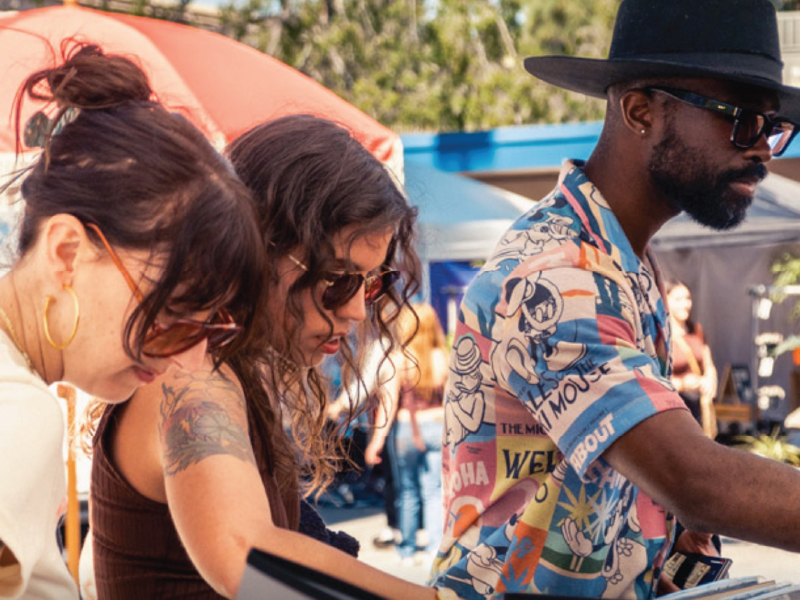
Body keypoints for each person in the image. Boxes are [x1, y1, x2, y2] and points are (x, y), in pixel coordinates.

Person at [431, 1, 800, 598]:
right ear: (639, 111)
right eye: (741, 119)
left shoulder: (621, 260)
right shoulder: (556, 275)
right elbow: (695, 482)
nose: (762, 149)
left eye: (772, 126)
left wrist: (661, 549)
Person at [85, 114, 445, 600]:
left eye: (372, 283)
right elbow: (245, 557)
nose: (357, 310)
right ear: (259, 250)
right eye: (337, 279)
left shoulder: (227, 375)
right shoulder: (191, 378)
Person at [0, 43, 264, 600]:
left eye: (211, 327)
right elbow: (247, 563)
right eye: (172, 315)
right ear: (67, 252)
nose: (188, 357)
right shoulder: (19, 409)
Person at [365, 302, 449, 566]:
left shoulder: (398, 359)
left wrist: (376, 441)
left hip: (406, 430)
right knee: (434, 491)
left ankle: (408, 550)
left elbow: (388, 405)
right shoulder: (442, 357)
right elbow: (451, 402)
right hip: (436, 427)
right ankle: (434, 548)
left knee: (408, 491)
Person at [666, 280, 718, 439]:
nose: (685, 304)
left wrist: (710, 381)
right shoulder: (662, 335)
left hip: (699, 407)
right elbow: (654, 377)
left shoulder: (696, 330)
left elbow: (708, 365)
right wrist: (682, 384)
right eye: (678, 299)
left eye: (687, 298)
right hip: (675, 408)